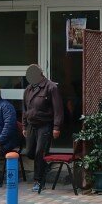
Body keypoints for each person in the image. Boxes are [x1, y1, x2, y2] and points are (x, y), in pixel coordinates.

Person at [22, 64, 63, 194]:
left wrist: (56, 127)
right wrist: (24, 125)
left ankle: (39, 181)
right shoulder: (28, 89)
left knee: (40, 152)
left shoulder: (51, 87)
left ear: (40, 74)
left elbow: (58, 109)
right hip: (31, 125)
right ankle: (45, 167)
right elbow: (24, 109)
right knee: (30, 152)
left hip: (45, 125)